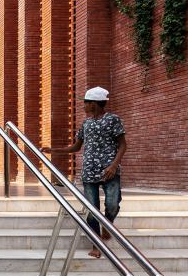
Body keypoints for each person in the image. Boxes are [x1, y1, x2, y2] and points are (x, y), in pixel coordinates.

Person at [42, 86, 127, 259]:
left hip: (109, 171)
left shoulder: (113, 119)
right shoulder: (86, 123)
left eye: (86, 102)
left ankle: (107, 223)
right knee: (91, 209)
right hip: (89, 171)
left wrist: (113, 165)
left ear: (94, 103)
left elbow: (123, 145)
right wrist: (54, 150)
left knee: (112, 204)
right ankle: (96, 245)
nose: (83, 105)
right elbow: (76, 147)